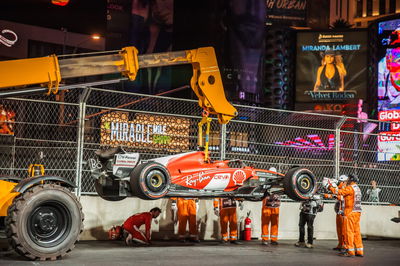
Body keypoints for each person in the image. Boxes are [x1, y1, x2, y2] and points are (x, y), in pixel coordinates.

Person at [324, 174, 364, 257]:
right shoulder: (357, 188)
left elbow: (340, 192)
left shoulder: (350, 188)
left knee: (348, 232)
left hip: (350, 213)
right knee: (356, 232)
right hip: (357, 213)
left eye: (348, 179)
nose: (347, 180)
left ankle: (350, 251)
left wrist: (329, 187)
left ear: (351, 180)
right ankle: (359, 251)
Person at [324, 175, 347, 252]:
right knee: (339, 229)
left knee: (344, 230)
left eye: (340, 182)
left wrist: (330, 194)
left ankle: (344, 245)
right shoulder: (340, 188)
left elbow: (342, 198)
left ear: (344, 182)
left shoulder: (347, 188)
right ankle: (340, 244)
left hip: (344, 213)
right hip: (339, 211)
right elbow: (338, 196)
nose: (339, 183)